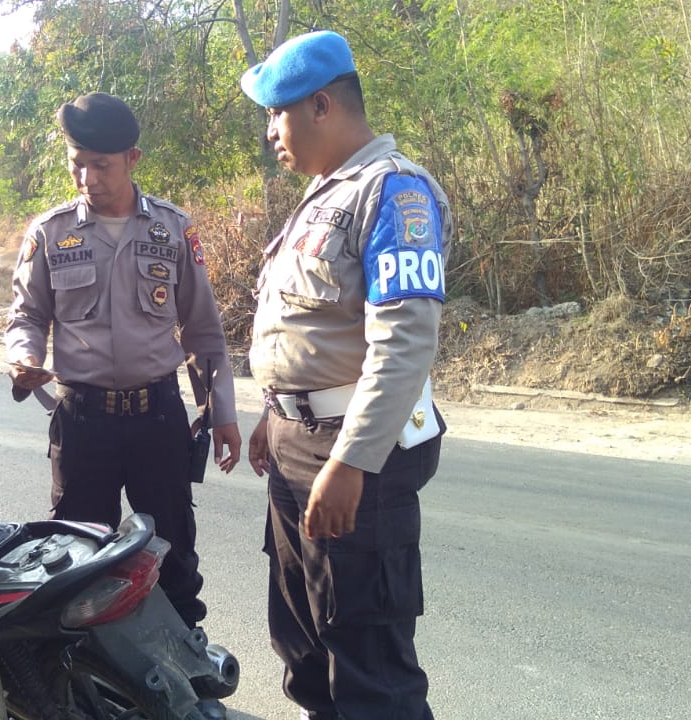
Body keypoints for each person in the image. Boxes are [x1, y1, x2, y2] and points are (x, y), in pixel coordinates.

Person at [239, 30, 453, 719]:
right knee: (303, 646)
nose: (271, 131)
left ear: (322, 105)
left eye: (277, 113)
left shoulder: (394, 192)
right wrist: (274, 414)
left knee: (369, 668)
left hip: (353, 450)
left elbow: (404, 345)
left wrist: (352, 462)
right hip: (299, 442)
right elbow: (307, 329)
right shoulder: (322, 194)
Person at [5, 92, 243, 630]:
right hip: (82, 418)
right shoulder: (50, 233)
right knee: (75, 554)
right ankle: (81, 679)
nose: (87, 176)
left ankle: (186, 662)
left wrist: (221, 411)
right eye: (77, 163)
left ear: (132, 159)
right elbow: (25, 316)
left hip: (157, 418)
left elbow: (203, 331)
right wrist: (23, 357)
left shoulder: (172, 230)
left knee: (173, 552)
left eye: (101, 164)